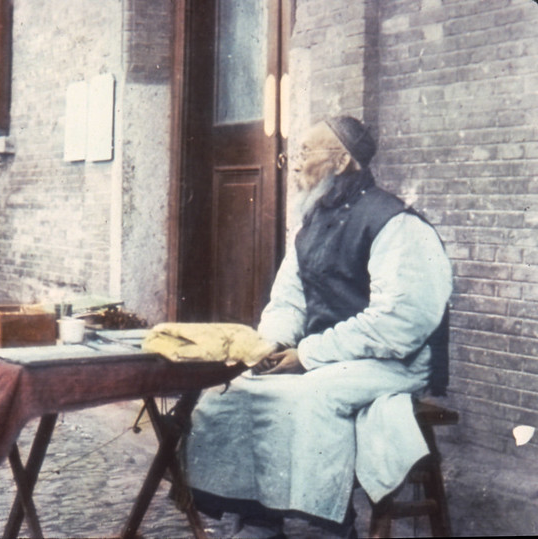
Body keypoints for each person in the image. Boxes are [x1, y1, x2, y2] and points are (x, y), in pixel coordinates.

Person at [184, 116, 453, 538]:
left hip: (394, 360)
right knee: (234, 390)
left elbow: (400, 323)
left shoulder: (395, 224)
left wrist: (308, 355)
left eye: (306, 151)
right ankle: (256, 515)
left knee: (309, 398)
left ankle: (329, 524)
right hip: (330, 357)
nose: (293, 163)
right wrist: (269, 345)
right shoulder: (313, 224)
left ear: (342, 160)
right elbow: (289, 300)